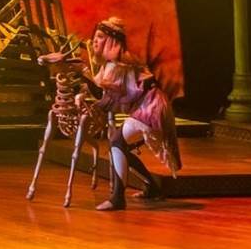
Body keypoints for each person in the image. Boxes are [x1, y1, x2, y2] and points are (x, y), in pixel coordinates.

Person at [52, 17, 181, 211]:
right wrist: (83, 83)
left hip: (150, 107)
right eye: (95, 36)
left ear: (111, 41)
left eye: (100, 37)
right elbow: (103, 93)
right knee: (121, 147)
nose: (95, 41)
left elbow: (106, 95)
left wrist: (82, 72)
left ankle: (117, 198)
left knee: (117, 142)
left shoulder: (118, 65)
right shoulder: (111, 65)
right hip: (149, 105)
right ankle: (152, 188)